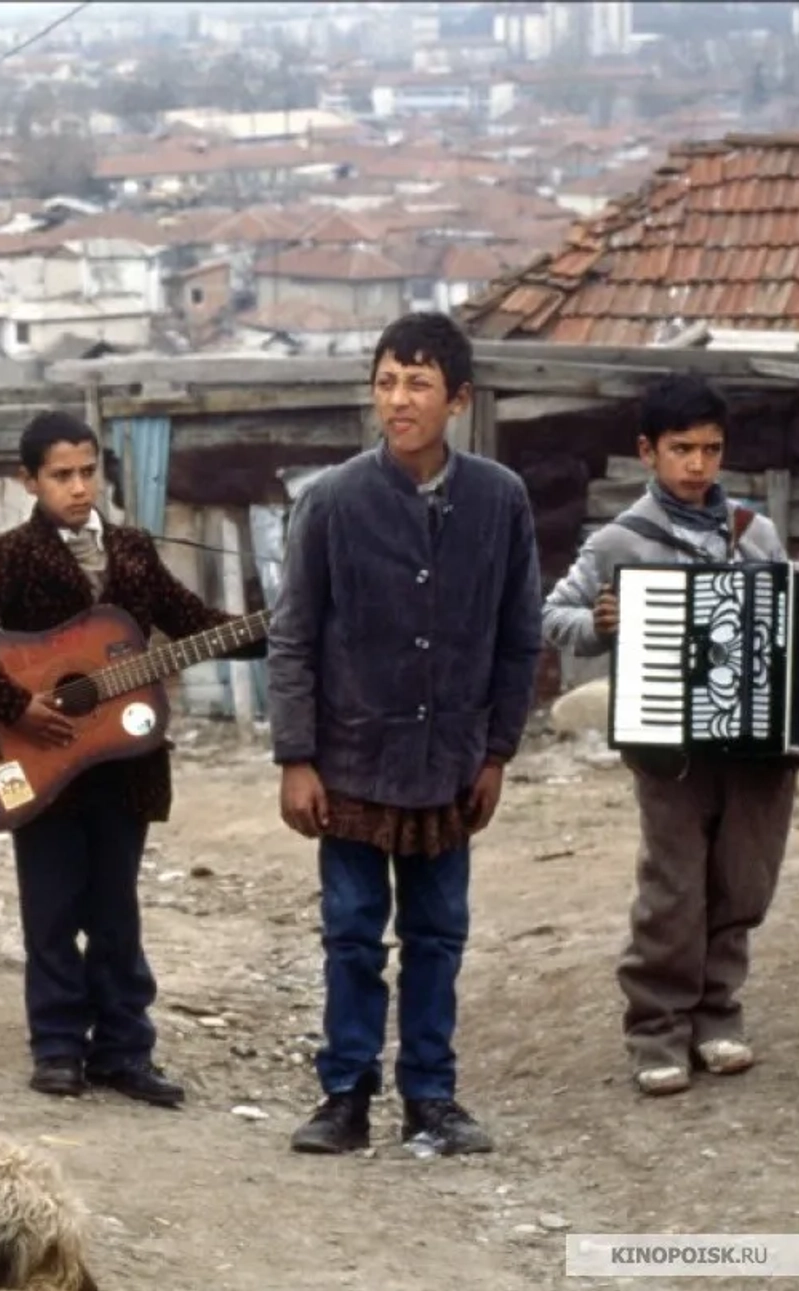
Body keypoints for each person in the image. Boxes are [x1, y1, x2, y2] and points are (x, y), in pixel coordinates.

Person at [0, 411, 258, 1110]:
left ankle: (125, 1050)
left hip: (124, 761)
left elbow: (195, 623)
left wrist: (283, 628)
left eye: (87, 471)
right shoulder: (14, 553)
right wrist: (14, 705)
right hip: (44, 764)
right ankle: (58, 1048)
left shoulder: (133, 550)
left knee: (115, 908)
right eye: (60, 475)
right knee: (50, 906)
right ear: (29, 480)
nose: (78, 488)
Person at [267, 312, 541, 1158]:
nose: (399, 399)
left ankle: (432, 1096)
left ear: (457, 398)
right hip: (349, 760)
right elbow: (294, 634)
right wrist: (296, 757)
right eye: (387, 381)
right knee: (352, 934)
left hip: (451, 762)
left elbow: (518, 634)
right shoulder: (333, 500)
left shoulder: (500, 500)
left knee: (437, 936)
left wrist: (498, 752)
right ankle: (345, 1093)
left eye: (418, 383)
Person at [542, 374, 796, 1097]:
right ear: (647, 451)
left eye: (711, 450)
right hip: (669, 745)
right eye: (682, 449)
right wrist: (598, 623)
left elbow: (786, 626)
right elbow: (548, 616)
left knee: (743, 879)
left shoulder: (758, 534)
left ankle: (719, 1014)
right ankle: (656, 1025)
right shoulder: (620, 539)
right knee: (675, 887)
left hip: (755, 744)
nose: (697, 465)